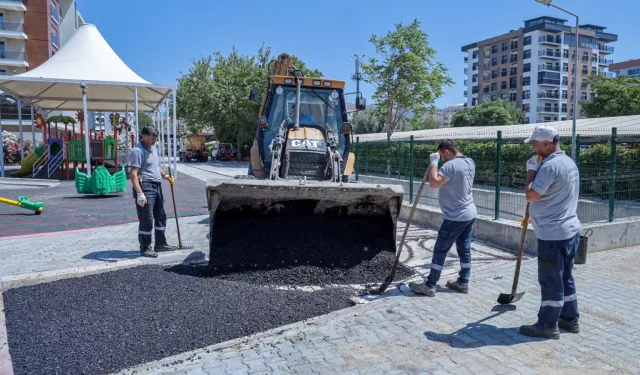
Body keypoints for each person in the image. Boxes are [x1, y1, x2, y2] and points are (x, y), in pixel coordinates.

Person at [519, 125, 581, 340]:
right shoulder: (568, 162)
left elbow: (531, 196)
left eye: (534, 144)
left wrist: (531, 171)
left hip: (553, 233)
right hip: (569, 230)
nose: (532, 147)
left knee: (550, 280)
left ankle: (547, 325)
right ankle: (569, 319)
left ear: (546, 144)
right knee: (565, 276)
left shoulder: (548, 166)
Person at [409, 139, 477, 297]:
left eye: (442, 156)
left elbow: (434, 183)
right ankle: (463, 282)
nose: (442, 160)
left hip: (456, 216)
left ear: (447, 152)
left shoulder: (450, 165)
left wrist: (434, 163)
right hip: (469, 212)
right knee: (464, 248)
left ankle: (430, 285)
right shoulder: (469, 162)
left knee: (440, 249)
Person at [129, 125, 177, 258]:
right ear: (144, 136)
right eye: (152, 139)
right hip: (145, 186)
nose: (154, 141)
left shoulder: (153, 148)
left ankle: (160, 244)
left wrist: (165, 176)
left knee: (161, 215)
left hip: (157, 186)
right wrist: (139, 193)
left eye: (155, 139)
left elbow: (155, 166)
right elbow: (133, 174)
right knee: (147, 218)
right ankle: (145, 247)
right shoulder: (137, 151)